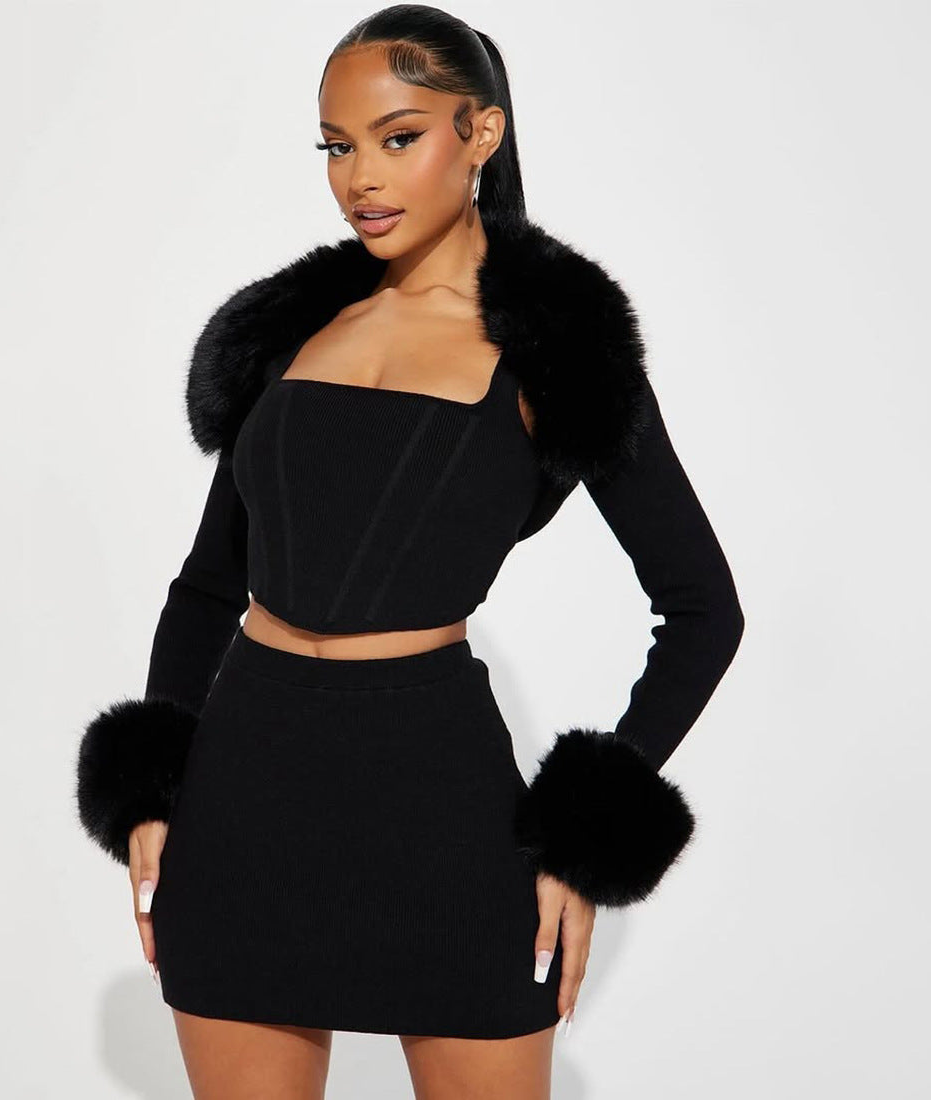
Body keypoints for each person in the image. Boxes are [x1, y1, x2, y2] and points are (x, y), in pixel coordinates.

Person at [75, 6, 744, 1097]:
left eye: (398, 137)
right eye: (337, 146)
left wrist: (582, 843)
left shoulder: (559, 352)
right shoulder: (286, 331)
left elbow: (702, 608)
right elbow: (205, 588)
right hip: (243, 807)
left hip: (440, 817)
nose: (361, 178)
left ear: (481, 132)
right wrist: (150, 790)